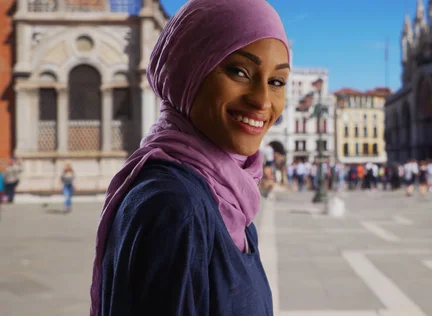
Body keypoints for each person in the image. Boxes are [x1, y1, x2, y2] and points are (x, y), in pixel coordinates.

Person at [89, 1, 290, 315]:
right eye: (239, 71)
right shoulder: (176, 206)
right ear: (187, 70)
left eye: (276, 81)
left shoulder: (230, 197)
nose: (263, 100)